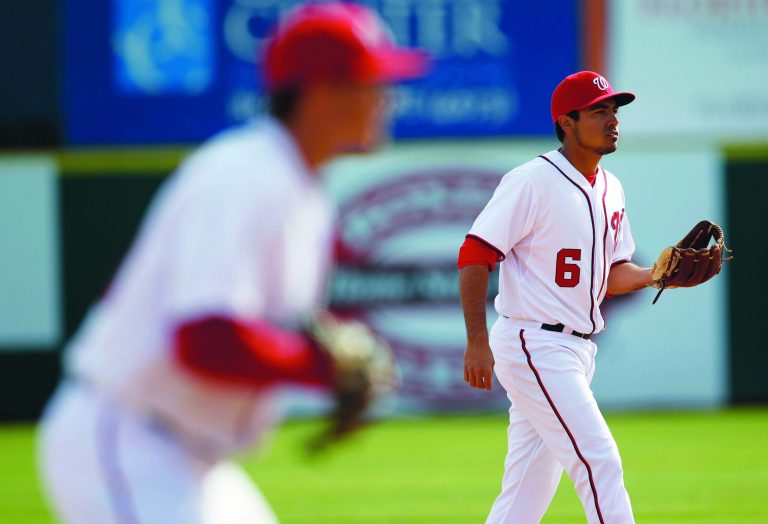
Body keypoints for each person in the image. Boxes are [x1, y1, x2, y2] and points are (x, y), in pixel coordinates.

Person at [38, 3, 426, 523]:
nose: (386, 100)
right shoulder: (245, 174)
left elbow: (255, 326)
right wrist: (320, 366)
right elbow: (205, 337)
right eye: (371, 83)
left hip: (192, 454)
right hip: (131, 438)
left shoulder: (300, 188)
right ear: (320, 92)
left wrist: (321, 358)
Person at [457, 71, 648, 524]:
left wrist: (656, 276)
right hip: (535, 343)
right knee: (599, 460)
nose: (613, 120)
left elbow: (612, 275)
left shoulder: (612, 188)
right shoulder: (532, 180)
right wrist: (477, 341)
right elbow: (474, 254)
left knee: (528, 489)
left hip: (576, 348)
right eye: (599, 112)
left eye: (614, 111)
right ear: (567, 122)